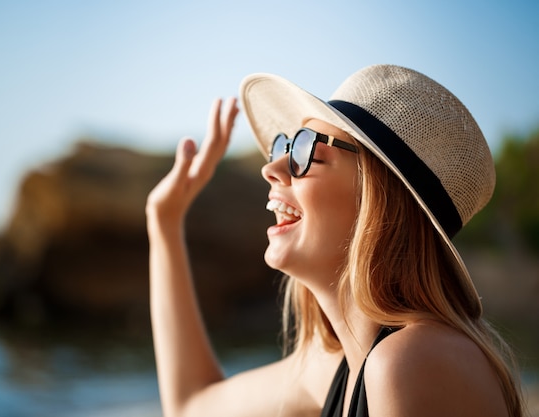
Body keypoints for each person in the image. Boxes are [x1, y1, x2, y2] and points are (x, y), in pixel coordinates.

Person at [146, 64, 524, 417]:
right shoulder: (346, 363)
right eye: (285, 146)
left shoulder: (411, 362)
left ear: (377, 198)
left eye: (307, 149)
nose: (270, 168)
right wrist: (163, 223)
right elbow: (191, 404)